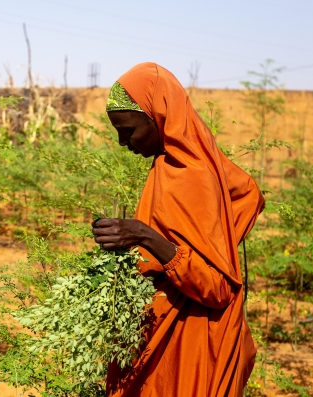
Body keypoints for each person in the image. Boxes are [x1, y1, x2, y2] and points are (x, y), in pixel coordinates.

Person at [91, 63, 264, 397]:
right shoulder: (173, 165)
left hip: (191, 338)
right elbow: (247, 192)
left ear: (159, 115)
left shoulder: (192, 175)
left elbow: (216, 287)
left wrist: (144, 236)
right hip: (167, 323)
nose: (122, 142)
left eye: (128, 131)